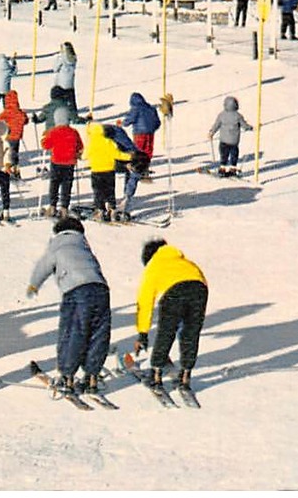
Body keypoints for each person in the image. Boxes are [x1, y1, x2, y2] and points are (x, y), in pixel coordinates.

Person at [26, 216, 112, 395]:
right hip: (101, 290)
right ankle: (92, 378)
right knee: (98, 334)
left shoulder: (58, 245)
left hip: (77, 292)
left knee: (73, 332)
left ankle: (67, 377)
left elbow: (44, 265)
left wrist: (34, 285)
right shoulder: (84, 247)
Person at [134, 239, 208, 396]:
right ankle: (186, 376)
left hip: (174, 292)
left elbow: (145, 301)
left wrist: (143, 333)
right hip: (199, 289)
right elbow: (202, 283)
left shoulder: (154, 265)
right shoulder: (187, 263)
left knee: (166, 332)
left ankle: (156, 374)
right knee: (191, 334)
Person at [84, 119, 131, 222]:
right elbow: (117, 154)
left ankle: (100, 210)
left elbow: (84, 156)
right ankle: (112, 209)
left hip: (96, 171)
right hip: (109, 170)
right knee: (110, 190)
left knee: (98, 191)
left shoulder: (91, 143)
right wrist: (129, 157)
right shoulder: (108, 141)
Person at [41, 114, 83, 218]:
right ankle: (64, 208)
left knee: (54, 183)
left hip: (56, 162)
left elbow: (45, 145)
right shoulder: (73, 132)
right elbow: (80, 146)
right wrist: (77, 153)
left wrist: (45, 137)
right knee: (67, 185)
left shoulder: (54, 131)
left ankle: (52, 206)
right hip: (70, 162)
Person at [209, 96, 252, 178]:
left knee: (223, 155)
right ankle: (233, 169)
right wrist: (251, 128)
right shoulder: (238, 116)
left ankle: (222, 168)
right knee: (234, 155)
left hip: (223, 141)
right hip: (234, 141)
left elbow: (216, 125)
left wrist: (211, 132)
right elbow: (244, 126)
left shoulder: (221, 115)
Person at [53, 42, 78, 113]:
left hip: (61, 82)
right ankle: (73, 113)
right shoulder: (73, 58)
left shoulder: (61, 58)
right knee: (71, 99)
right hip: (70, 82)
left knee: (59, 99)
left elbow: (55, 68)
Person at [0, 52, 17, 117]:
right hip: (6, 89)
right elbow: (14, 72)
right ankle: (6, 112)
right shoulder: (9, 68)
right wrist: (14, 64)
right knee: (6, 102)